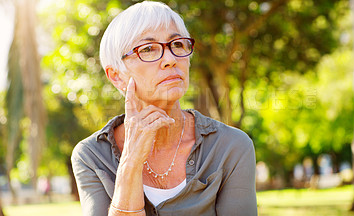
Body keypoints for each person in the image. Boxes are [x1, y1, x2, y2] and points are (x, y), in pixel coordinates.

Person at [71, 1, 257, 215]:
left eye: (177, 44)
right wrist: (131, 161)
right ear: (116, 75)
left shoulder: (231, 146)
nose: (170, 59)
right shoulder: (91, 156)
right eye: (148, 49)